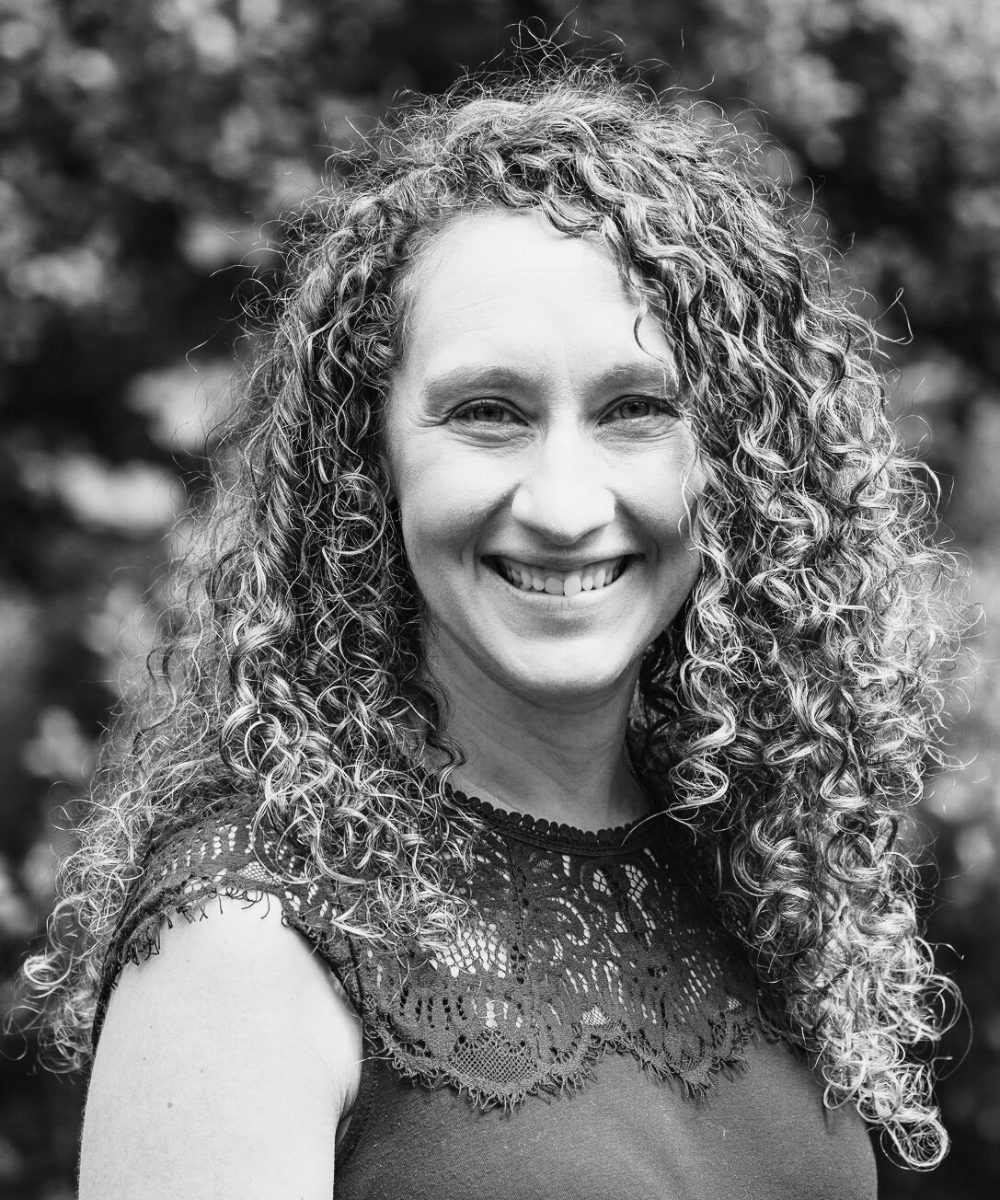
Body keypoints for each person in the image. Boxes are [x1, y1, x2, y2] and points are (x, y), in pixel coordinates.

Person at [22, 56, 962, 1199]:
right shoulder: (245, 946)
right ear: (370, 464)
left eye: (635, 410)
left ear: (738, 465)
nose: (565, 506)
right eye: (487, 413)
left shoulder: (753, 883)